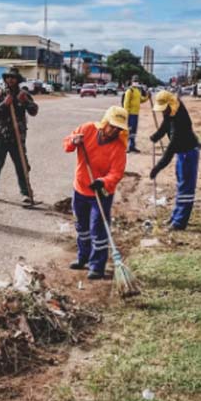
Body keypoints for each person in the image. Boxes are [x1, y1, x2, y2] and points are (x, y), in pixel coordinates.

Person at [63, 106, 128, 280]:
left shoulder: (118, 147)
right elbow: (67, 145)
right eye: (112, 125)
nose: (114, 130)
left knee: (98, 228)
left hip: (101, 193)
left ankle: (97, 265)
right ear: (105, 122)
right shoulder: (87, 130)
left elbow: (117, 172)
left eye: (119, 128)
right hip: (80, 188)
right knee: (82, 226)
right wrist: (73, 141)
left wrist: (103, 182)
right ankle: (83, 257)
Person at [0, 68, 38, 203]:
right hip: (1, 135)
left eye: (13, 77)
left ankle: (26, 193)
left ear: (18, 79)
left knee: (22, 165)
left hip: (17, 136)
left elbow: (34, 111)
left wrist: (25, 102)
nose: (10, 80)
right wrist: (4, 104)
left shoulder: (23, 94)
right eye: (8, 77)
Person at [149, 90, 200, 230]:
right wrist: (156, 136)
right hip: (182, 153)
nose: (162, 112)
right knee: (180, 186)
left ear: (169, 104)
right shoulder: (171, 110)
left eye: (163, 108)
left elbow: (170, 149)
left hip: (188, 153)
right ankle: (176, 216)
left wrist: (157, 168)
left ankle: (180, 222)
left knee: (186, 188)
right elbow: (165, 125)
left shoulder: (180, 120)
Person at [122, 76, 145, 153]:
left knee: (134, 131)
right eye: (135, 80)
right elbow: (126, 103)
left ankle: (132, 146)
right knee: (129, 130)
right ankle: (127, 146)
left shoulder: (137, 91)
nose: (136, 82)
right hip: (130, 114)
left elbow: (141, 100)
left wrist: (148, 96)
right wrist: (126, 114)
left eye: (137, 80)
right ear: (132, 81)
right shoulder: (130, 90)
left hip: (136, 114)